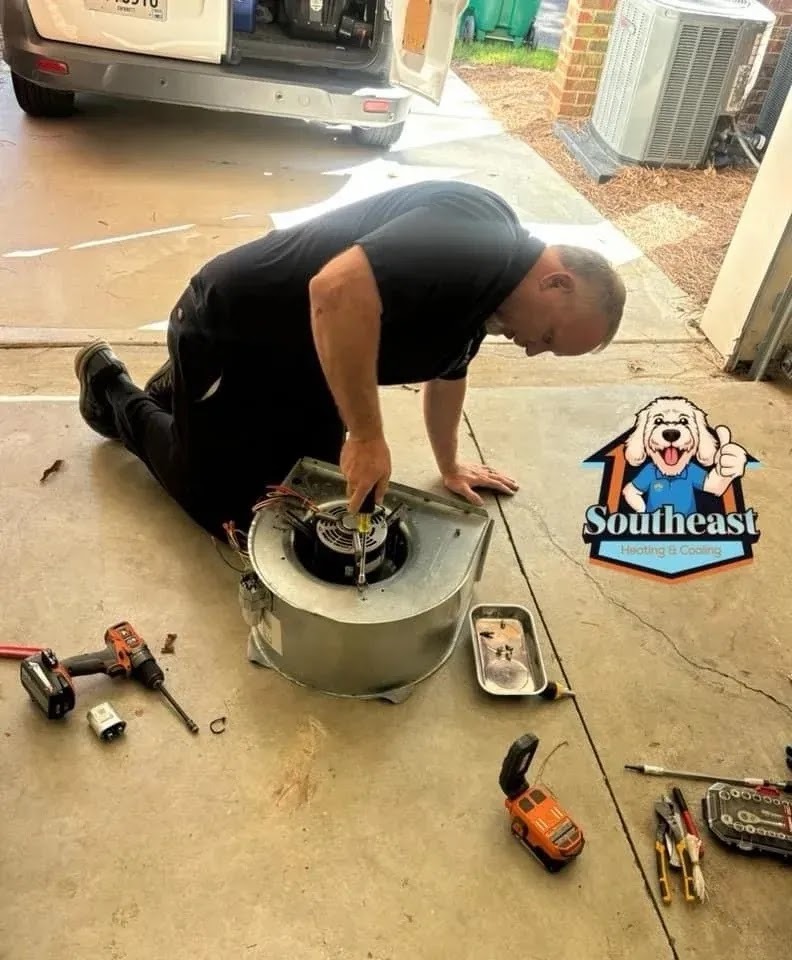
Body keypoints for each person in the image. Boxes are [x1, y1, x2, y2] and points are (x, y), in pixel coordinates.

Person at [74, 180, 626, 539]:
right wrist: (365, 435)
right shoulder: (476, 231)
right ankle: (112, 388)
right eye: (549, 337)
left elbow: (449, 371)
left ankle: (188, 393)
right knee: (221, 506)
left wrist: (449, 464)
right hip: (233, 327)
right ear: (555, 281)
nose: (533, 350)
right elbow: (335, 290)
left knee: (306, 493)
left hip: (310, 361)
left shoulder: (493, 300)